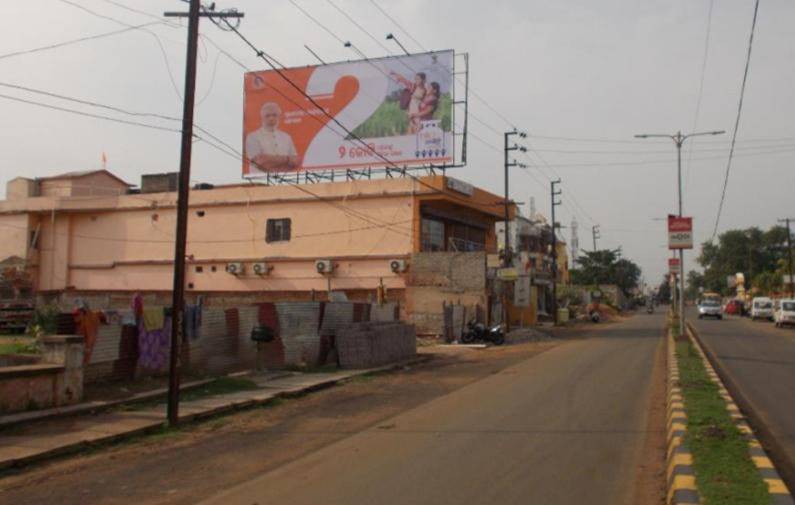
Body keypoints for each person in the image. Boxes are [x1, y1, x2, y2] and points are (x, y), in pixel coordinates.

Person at [245, 102, 299, 172]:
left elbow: (295, 162)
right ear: (262, 117)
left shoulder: (286, 137)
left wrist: (269, 159)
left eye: (274, 115)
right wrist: (287, 160)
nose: (271, 118)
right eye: (267, 115)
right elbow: (260, 162)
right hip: (260, 180)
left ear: (279, 116)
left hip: (284, 181)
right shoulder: (253, 137)